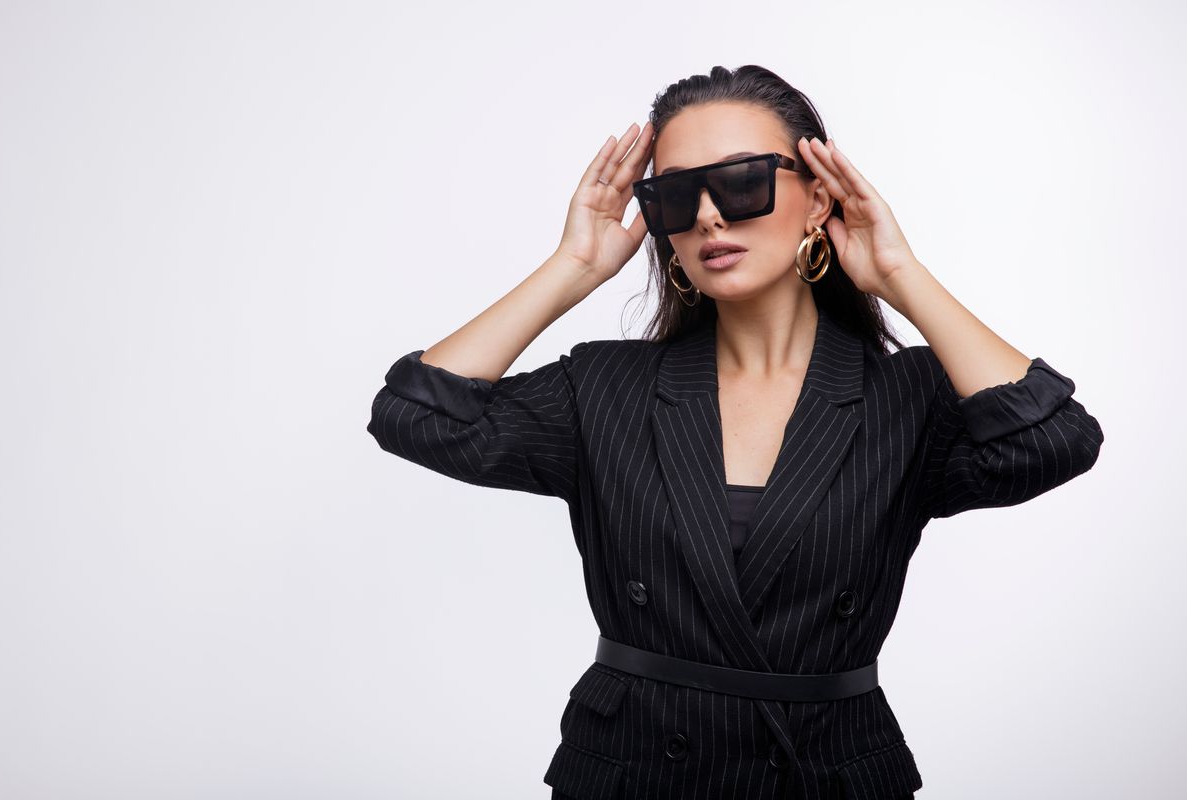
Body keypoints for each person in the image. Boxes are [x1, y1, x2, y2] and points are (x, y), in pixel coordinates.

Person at [365, 64, 1104, 800]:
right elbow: (413, 415)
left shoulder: (906, 396)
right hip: (635, 776)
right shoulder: (603, 387)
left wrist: (899, 273)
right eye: (675, 195)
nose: (708, 216)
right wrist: (574, 266)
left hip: (826, 777)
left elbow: (1053, 441)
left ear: (819, 198)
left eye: (742, 182)